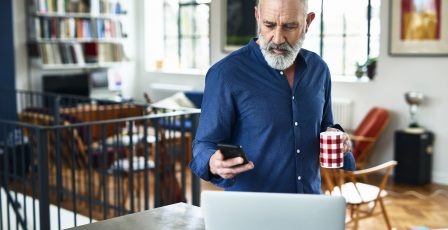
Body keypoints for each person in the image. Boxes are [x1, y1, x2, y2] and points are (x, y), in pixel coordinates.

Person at [189, 0, 355, 194]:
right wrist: (212, 161)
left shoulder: (319, 70)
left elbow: (326, 126)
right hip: (252, 212)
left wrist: (340, 139)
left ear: (308, 22)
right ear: (258, 17)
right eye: (269, 25)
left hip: (309, 204)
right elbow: (203, 144)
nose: (277, 38)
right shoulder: (225, 74)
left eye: (289, 26)